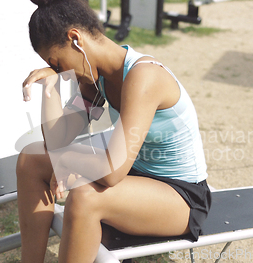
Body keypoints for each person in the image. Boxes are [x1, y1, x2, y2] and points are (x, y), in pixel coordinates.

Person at [17, 0, 211, 262]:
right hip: (139, 177)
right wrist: (49, 84)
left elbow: (111, 172)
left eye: (58, 65)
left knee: (85, 196)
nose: (63, 74)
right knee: (31, 159)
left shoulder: (144, 77)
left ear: (76, 39)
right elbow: (56, 140)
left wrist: (66, 161)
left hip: (182, 197)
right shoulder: (98, 81)